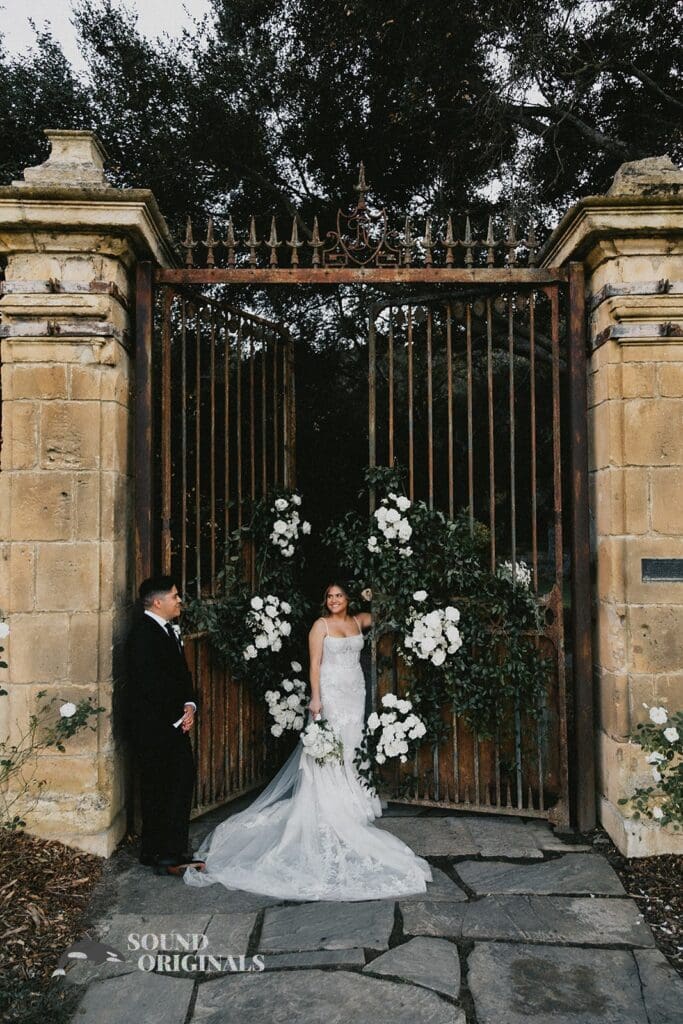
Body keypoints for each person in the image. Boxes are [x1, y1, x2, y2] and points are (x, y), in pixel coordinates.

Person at [184, 581, 431, 900]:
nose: (334, 600)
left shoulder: (359, 621)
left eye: (339, 595)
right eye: (329, 596)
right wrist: (316, 698)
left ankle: (354, 794)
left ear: (349, 598)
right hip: (330, 692)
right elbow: (315, 664)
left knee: (353, 741)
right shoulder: (320, 626)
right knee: (330, 745)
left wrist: (379, 597)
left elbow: (387, 611)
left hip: (355, 691)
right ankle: (331, 798)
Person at [127, 575, 204, 876]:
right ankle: (166, 855)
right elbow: (150, 686)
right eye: (174, 596)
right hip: (155, 728)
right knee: (164, 787)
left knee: (175, 783)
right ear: (158, 602)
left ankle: (162, 850)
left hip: (171, 723)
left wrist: (190, 705)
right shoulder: (142, 636)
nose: (179, 600)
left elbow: (180, 675)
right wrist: (178, 717)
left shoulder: (167, 630)